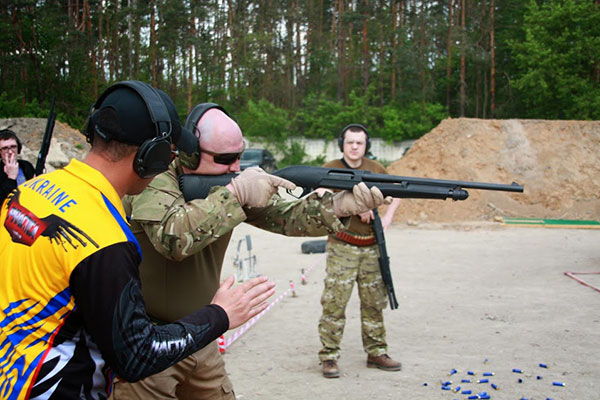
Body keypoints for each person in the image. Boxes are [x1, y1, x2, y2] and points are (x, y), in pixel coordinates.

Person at [0, 81, 276, 399]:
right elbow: (137, 356)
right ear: (153, 156)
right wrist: (221, 314)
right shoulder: (106, 240)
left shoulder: (26, 193)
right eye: (170, 153)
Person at [112, 103, 389, 399]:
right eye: (226, 159)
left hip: (202, 335)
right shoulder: (155, 179)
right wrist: (235, 193)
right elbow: (174, 238)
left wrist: (339, 207)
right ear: (190, 152)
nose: (235, 168)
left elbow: (285, 217)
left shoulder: (227, 183)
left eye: (240, 156)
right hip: (151, 342)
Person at [318, 124, 402, 378]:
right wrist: (355, 205)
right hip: (342, 245)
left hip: (371, 248)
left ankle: (376, 352)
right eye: (350, 142)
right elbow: (320, 197)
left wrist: (387, 218)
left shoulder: (375, 169)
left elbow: (398, 191)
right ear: (341, 144)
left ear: (366, 146)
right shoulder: (330, 168)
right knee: (334, 303)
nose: (354, 147)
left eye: (359, 143)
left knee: (374, 303)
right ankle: (329, 357)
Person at [0, 128, 35, 203]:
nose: (10, 152)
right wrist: (11, 178)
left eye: (13, 147)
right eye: (5, 148)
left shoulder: (26, 166)